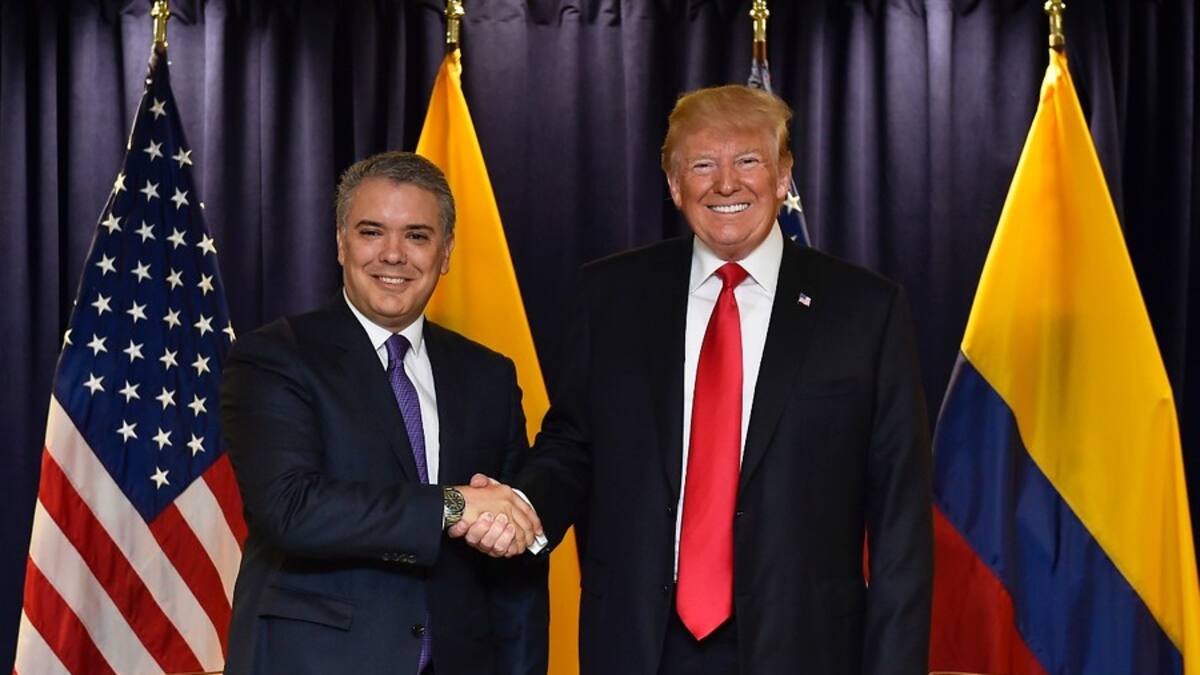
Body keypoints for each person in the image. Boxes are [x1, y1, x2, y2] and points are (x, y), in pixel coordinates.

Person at [456, 85, 933, 674]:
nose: (726, 184)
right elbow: (573, 445)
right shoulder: (611, 296)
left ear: (783, 175)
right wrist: (524, 508)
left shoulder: (865, 310)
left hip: (806, 648)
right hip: (640, 645)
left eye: (748, 160)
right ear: (674, 183)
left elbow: (900, 522)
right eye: (703, 164)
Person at [221, 151, 548, 675]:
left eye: (417, 235)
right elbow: (291, 509)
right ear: (340, 242)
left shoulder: (489, 375)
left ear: (446, 251)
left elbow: (513, 552)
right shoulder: (274, 357)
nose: (393, 255)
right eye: (371, 232)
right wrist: (452, 506)